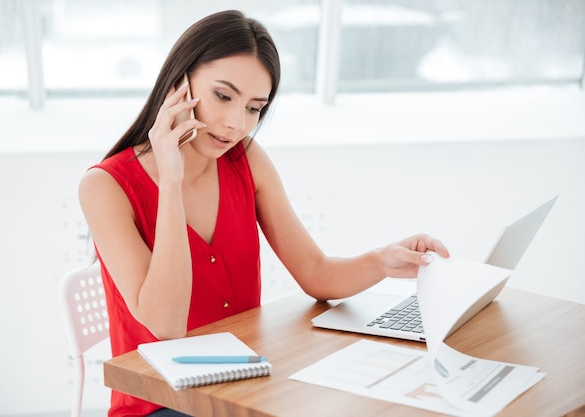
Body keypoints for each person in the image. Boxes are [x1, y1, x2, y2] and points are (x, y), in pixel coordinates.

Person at [78, 9, 449, 417]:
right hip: (161, 404)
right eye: (223, 96)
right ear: (178, 84)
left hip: (244, 388)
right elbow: (166, 325)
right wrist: (171, 179)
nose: (237, 123)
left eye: (254, 108)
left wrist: (383, 260)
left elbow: (316, 272)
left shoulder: (246, 161)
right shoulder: (105, 187)